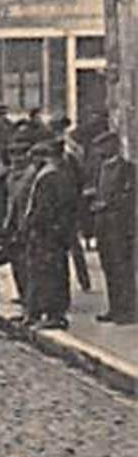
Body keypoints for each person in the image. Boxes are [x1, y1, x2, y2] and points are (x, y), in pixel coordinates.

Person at [22, 139, 78, 329]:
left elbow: (44, 209)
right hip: (52, 232)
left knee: (51, 273)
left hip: (48, 234)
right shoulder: (54, 174)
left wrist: (32, 224)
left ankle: (54, 314)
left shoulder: (49, 176)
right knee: (46, 272)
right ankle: (42, 312)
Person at [91, 129, 136, 323]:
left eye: (104, 146)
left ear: (113, 146)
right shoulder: (102, 168)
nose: (100, 150)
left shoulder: (127, 168)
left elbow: (129, 196)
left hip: (120, 226)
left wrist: (107, 204)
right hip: (104, 226)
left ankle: (129, 310)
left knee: (122, 269)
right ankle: (115, 308)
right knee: (109, 268)